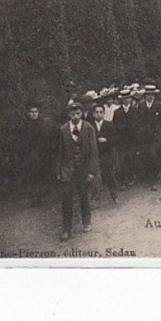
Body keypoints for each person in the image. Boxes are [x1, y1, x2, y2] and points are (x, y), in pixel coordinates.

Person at [56, 101, 100, 242]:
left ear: (81, 114)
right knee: (66, 199)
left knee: (83, 196)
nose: (75, 116)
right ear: (69, 114)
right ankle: (66, 229)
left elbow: (94, 151)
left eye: (78, 113)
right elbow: (60, 152)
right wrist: (59, 171)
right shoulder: (63, 129)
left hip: (83, 168)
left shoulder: (88, 128)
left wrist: (92, 171)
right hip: (67, 169)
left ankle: (86, 221)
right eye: (72, 114)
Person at [18, 103, 54, 206]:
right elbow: (23, 141)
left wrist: (39, 152)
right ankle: (32, 198)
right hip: (29, 155)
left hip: (41, 155)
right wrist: (28, 152)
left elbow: (44, 140)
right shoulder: (25, 126)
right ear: (28, 113)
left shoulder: (42, 125)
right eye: (32, 112)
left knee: (41, 177)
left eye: (35, 112)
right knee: (30, 177)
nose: (34, 114)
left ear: (38, 113)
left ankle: (40, 199)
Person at [135, 85, 161, 189]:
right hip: (144, 135)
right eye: (148, 95)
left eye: (152, 94)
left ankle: (154, 178)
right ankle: (147, 176)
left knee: (153, 154)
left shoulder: (158, 105)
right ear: (145, 96)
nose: (150, 97)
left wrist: (159, 132)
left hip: (155, 135)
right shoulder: (141, 106)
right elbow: (138, 120)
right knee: (145, 155)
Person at [91, 103, 118, 203]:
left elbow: (115, 139)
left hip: (107, 153)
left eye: (101, 112)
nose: (99, 114)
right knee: (95, 176)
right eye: (96, 112)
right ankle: (95, 197)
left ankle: (114, 194)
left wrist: (106, 140)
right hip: (95, 154)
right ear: (93, 114)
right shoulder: (90, 126)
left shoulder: (109, 125)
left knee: (108, 174)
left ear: (104, 113)